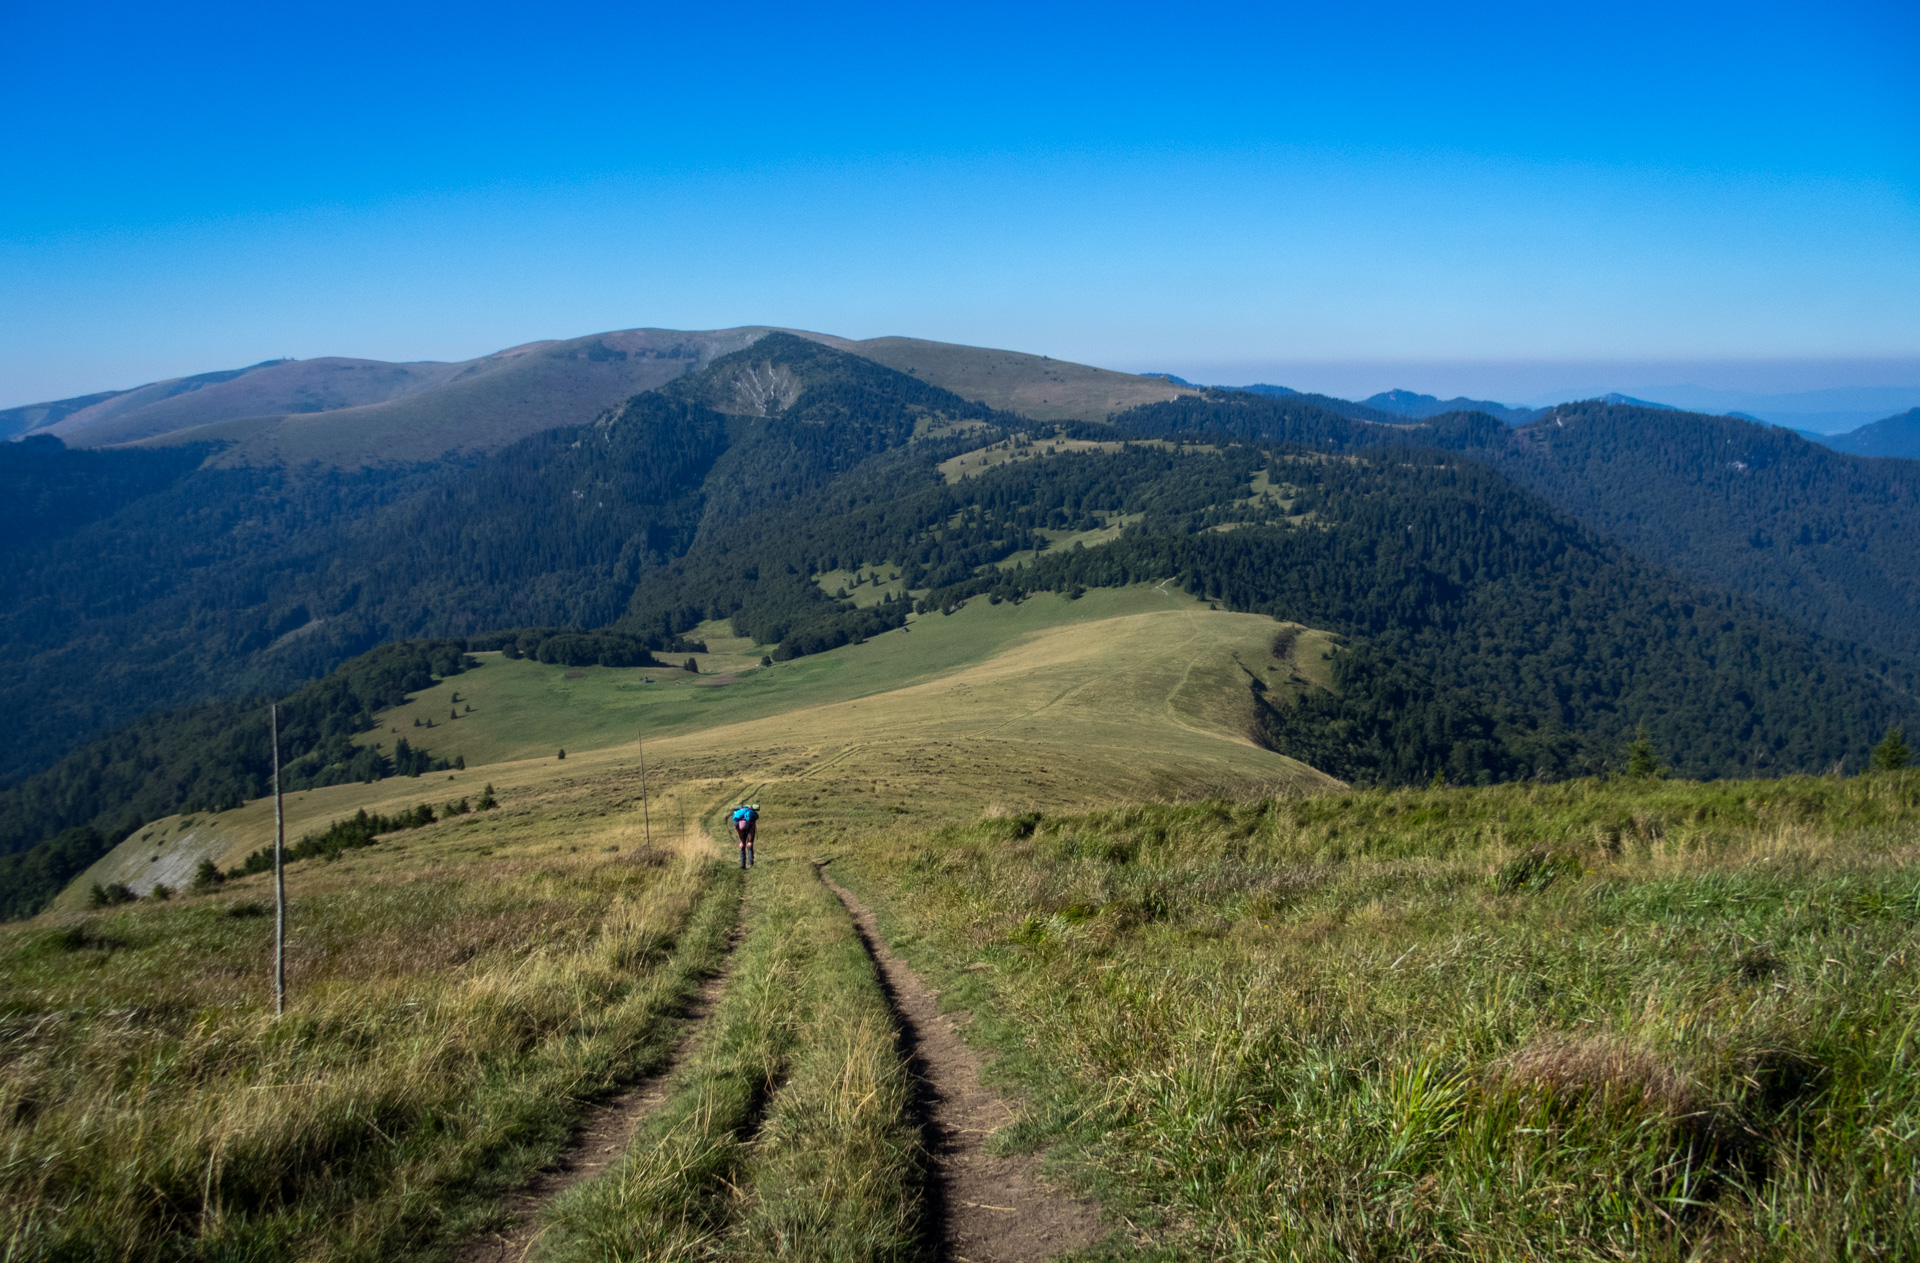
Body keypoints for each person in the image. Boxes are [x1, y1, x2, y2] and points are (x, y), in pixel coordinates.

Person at [731, 803, 758, 868]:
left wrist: (750, 841)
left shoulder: (750, 821)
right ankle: (745, 865)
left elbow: (752, 829)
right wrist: (742, 842)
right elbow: (738, 832)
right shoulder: (737, 824)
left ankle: (749, 864)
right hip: (743, 830)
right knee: (742, 846)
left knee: (749, 846)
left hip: (750, 829)